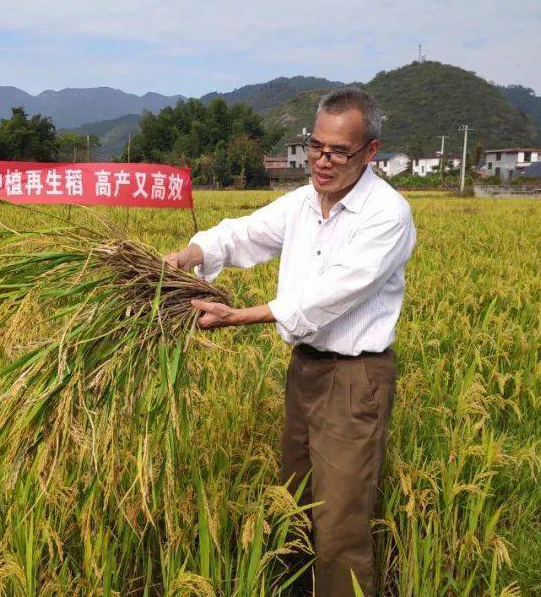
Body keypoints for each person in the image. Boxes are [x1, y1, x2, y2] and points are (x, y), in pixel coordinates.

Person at [163, 87, 416, 596]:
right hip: (305, 370)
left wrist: (238, 316)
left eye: (338, 152)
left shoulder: (387, 215)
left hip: (356, 379)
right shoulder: (305, 202)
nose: (322, 161)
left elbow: (327, 298)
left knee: (339, 523)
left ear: (371, 152)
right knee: (294, 502)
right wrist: (186, 255)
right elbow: (245, 234)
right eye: (316, 147)